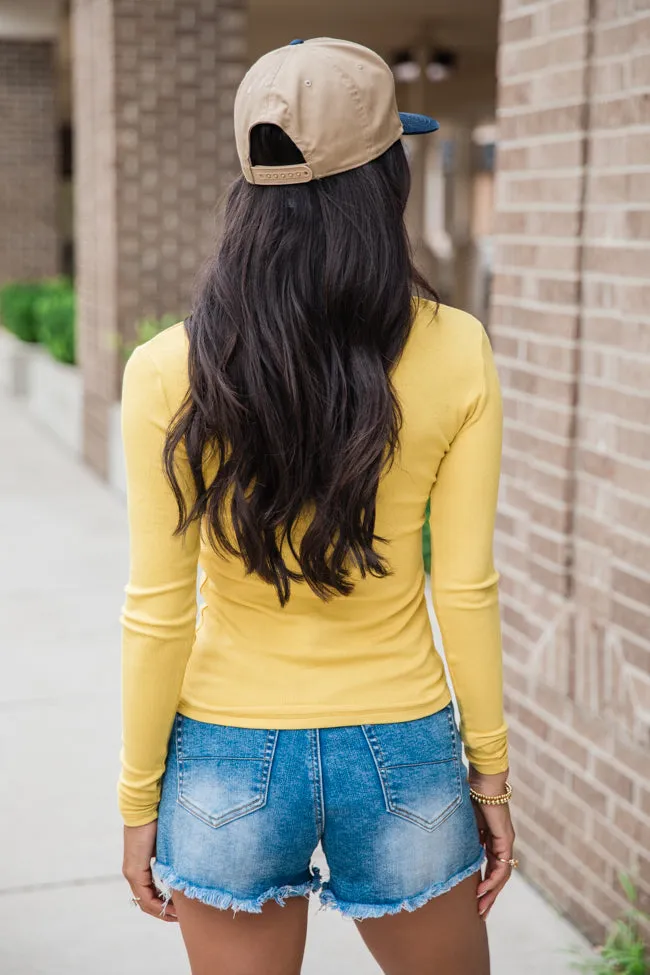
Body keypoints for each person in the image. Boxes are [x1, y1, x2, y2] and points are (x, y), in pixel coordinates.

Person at [119, 37, 516, 975]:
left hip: (224, 757)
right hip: (405, 747)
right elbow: (465, 587)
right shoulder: (457, 349)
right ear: (388, 176)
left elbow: (158, 609)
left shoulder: (167, 370)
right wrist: (490, 771)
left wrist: (140, 801)